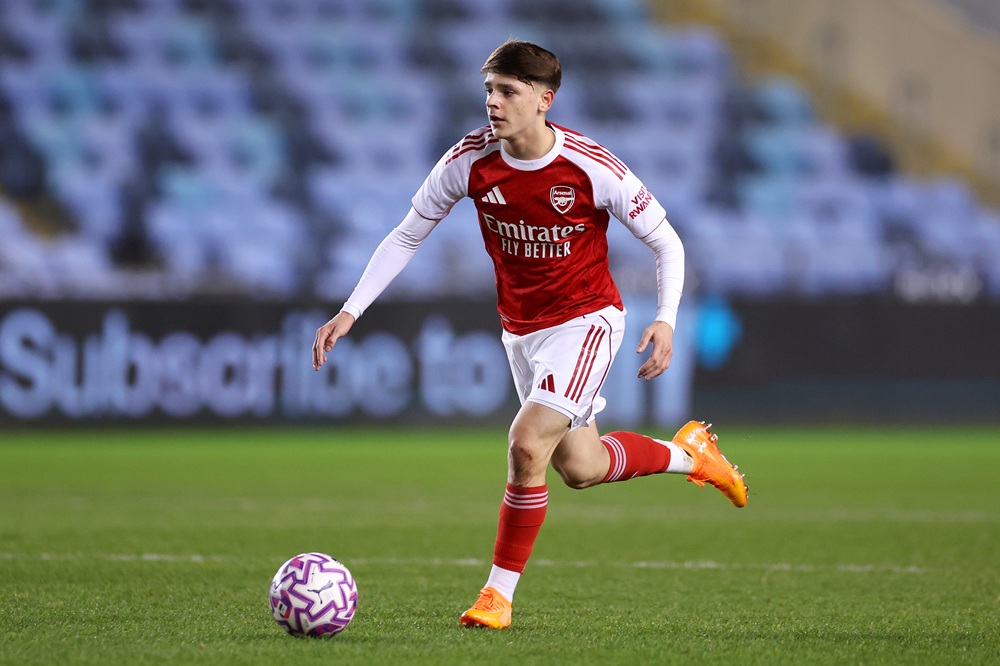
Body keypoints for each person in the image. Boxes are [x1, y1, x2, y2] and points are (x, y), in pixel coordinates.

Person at [312, 40, 748, 630]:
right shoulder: (469, 160)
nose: (493, 103)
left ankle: (497, 597)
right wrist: (349, 312)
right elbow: (407, 234)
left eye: (508, 91)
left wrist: (666, 317)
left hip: (587, 320)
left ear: (545, 100)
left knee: (524, 444)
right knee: (581, 466)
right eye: (489, 90)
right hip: (521, 331)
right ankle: (690, 455)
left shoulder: (591, 166)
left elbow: (665, 240)